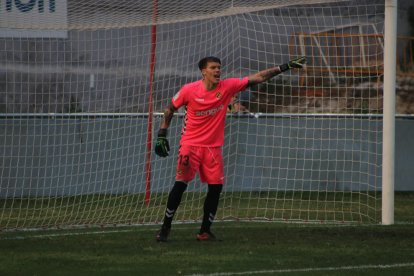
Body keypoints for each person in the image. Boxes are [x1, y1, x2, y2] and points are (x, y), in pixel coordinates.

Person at [154, 56, 306, 242]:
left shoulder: (228, 87)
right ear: (203, 71)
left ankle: (204, 231)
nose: (218, 71)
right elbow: (169, 109)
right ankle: (165, 228)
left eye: (219, 67)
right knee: (180, 184)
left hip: (213, 148)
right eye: (213, 68)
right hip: (190, 146)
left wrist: (284, 67)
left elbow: (257, 77)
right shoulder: (189, 90)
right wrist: (162, 133)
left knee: (216, 188)